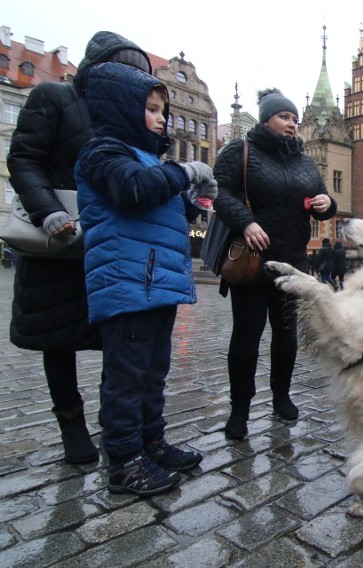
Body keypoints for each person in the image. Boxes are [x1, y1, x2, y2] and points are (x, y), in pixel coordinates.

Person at [7, 31, 152, 464]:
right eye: (125, 71)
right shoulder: (54, 97)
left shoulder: (128, 117)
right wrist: (47, 211)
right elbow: (23, 158)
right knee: (58, 337)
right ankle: (71, 425)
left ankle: (117, 425)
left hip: (110, 241)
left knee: (119, 339)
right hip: (57, 238)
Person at [76, 62, 215, 495]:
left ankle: (151, 442)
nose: (161, 119)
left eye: (163, 111)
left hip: (156, 283)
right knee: (127, 376)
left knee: (154, 371)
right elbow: (134, 191)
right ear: (122, 109)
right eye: (152, 109)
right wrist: (184, 173)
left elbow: (159, 204)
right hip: (127, 281)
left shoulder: (146, 159)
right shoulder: (103, 152)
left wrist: (192, 203)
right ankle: (123, 460)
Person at [213, 88, 337, 439]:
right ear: (267, 118)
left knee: (286, 336)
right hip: (254, 261)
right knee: (247, 336)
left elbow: (323, 198)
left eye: (295, 120)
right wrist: (246, 222)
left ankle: (281, 396)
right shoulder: (242, 150)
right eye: (284, 117)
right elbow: (219, 190)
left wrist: (326, 203)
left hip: (292, 262)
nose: (292, 125)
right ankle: (240, 408)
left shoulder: (304, 159)